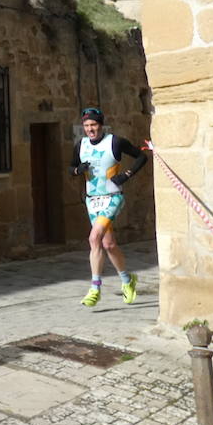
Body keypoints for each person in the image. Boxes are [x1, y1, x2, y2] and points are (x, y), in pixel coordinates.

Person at [71, 106, 148, 307]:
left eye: (94, 125)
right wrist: (78, 170)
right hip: (92, 199)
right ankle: (127, 280)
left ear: (101, 125)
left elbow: (141, 156)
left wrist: (126, 175)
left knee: (94, 237)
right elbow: (72, 168)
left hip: (112, 196)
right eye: (87, 125)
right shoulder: (81, 145)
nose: (90, 129)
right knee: (108, 244)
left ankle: (95, 288)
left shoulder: (114, 141)